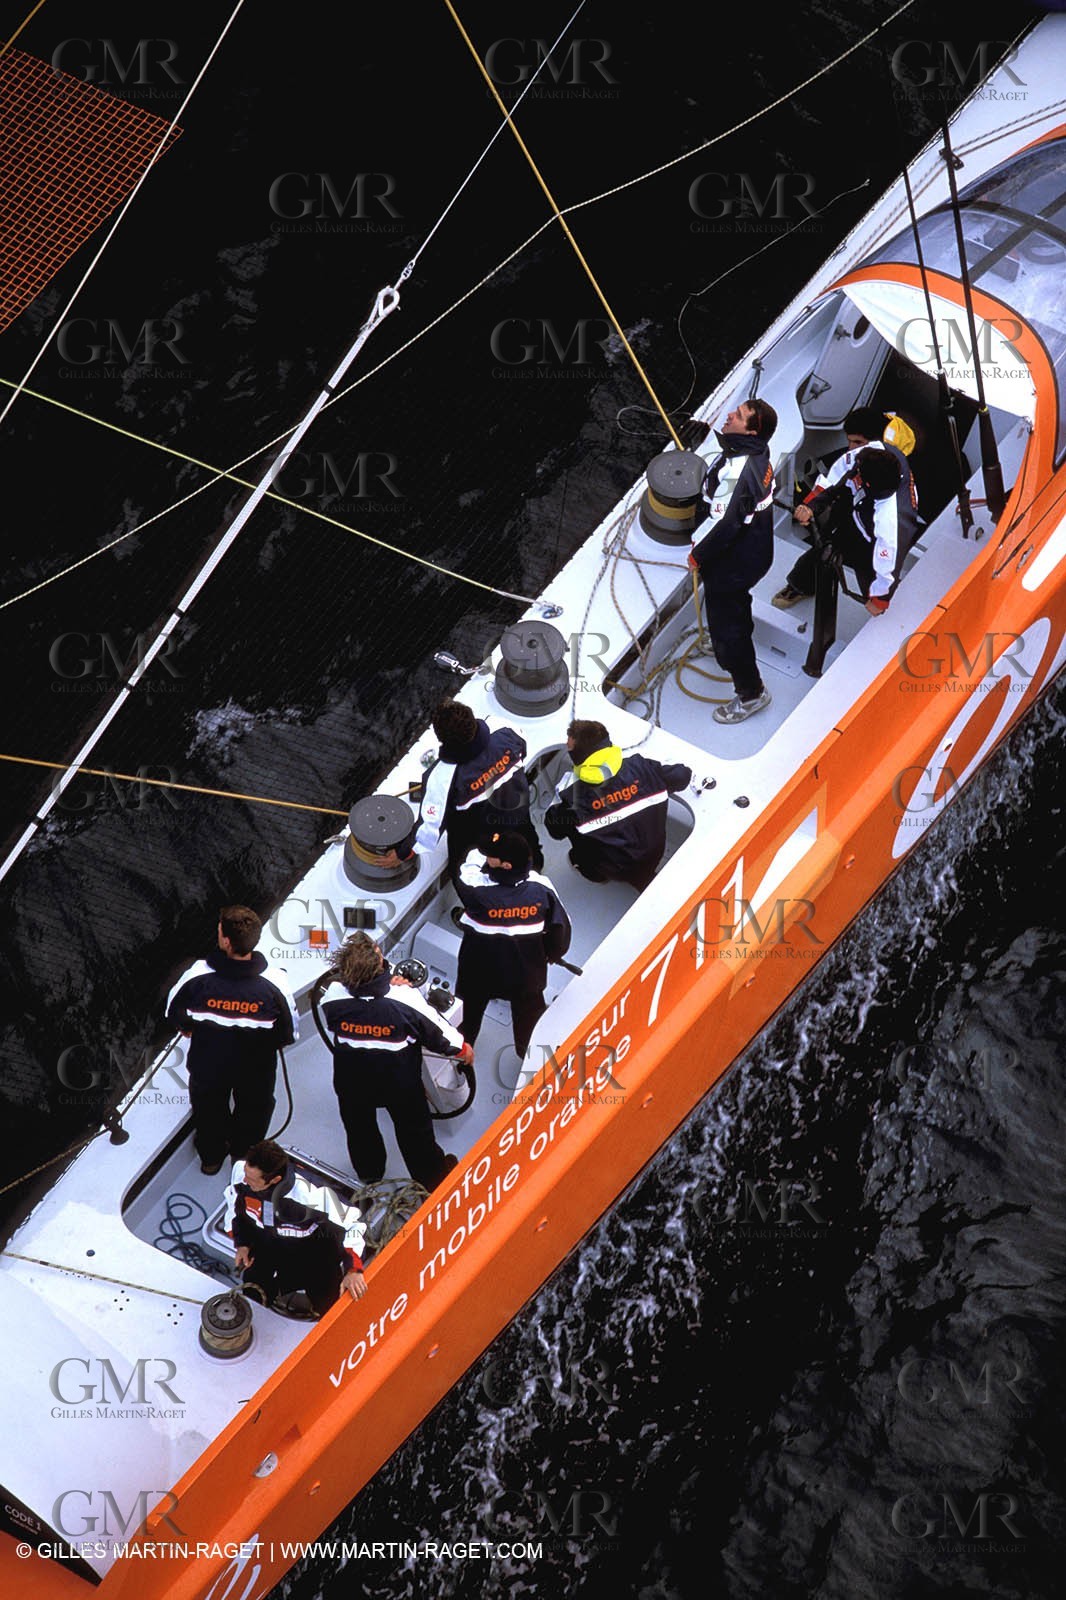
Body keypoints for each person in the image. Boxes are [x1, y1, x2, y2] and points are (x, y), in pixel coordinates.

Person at [319, 932, 473, 1192]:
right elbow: (442, 1036)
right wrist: (464, 1050)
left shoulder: (331, 998)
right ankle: (433, 1180)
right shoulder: (404, 999)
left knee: (359, 1129)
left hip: (352, 1081)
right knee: (415, 1133)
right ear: (379, 965)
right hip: (399, 1085)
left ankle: (370, 1173)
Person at [166, 905, 298, 1176]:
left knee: (209, 1111)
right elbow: (289, 1034)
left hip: (208, 1066)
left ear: (225, 940)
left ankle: (211, 1160)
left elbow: (175, 1014)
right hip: (256, 1069)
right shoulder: (275, 983)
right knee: (254, 1111)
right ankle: (241, 1157)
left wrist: (193, 1028)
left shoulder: (196, 977)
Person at [687, 396, 778, 725]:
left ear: (752, 431)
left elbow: (724, 522)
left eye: (738, 416)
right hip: (751, 553)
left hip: (733, 565)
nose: (729, 415)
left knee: (729, 631)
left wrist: (697, 554)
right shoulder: (756, 455)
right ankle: (724, 640)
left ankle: (752, 693)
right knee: (734, 614)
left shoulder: (740, 470)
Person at [773, 406, 917, 610]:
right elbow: (833, 478)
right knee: (823, 549)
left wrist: (880, 599)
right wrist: (810, 507)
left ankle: (884, 606)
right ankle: (800, 585)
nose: (850, 449)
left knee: (872, 577)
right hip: (852, 513)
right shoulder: (865, 455)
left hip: (871, 536)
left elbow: (890, 559)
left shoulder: (891, 522)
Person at [455, 831, 572, 1059]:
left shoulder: (475, 889)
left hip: (477, 973)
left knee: (465, 1022)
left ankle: (460, 1057)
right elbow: (561, 932)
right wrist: (549, 955)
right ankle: (530, 1059)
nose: (485, 856)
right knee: (531, 1031)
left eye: (490, 856)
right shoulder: (542, 888)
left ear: (506, 866)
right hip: (526, 977)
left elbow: (470, 860)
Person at [224, 1138, 368, 1318]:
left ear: (275, 1179)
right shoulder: (241, 1172)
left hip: (314, 1254)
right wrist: (242, 1243)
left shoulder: (312, 1194)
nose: (245, 1180)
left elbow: (354, 1224)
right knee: (253, 1293)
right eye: (245, 1173)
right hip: (267, 1246)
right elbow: (234, 1208)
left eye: (252, 1179)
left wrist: (353, 1270)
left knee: (330, 1305)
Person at [545, 720, 691, 893]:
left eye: (570, 748)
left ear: (578, 757)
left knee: (573, 834)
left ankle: (596, 875)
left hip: (614, 869)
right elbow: (683, 775)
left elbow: (555, 831)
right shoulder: (641, 765)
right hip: (654, 853)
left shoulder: (569, 792)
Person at [413, 699, 542, 883]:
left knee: (460, 872)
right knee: (529, 846)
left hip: (478, 834)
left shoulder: (440, 778)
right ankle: (534, 870)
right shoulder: (505, 728)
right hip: (517, 813)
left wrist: (403, 851)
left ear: (442, 739)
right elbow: (523, 750)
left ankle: (480, 903)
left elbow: (430, 829)